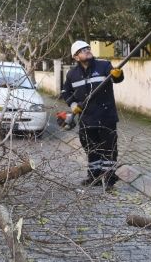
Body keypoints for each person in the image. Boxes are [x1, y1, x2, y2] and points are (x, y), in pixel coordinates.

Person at [61, 40, 124, 190]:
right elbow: (65, 92)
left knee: (109, 149)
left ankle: (108, 180)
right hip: (86, 118)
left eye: (88, 48)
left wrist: (118, 74)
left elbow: (117, 79)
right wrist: (74, 105)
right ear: (76, 57)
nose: (87, 50)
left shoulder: (104, 66)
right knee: (91, 149)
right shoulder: (72, 74)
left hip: (106, 116)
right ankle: (94, 176)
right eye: (83, 50)